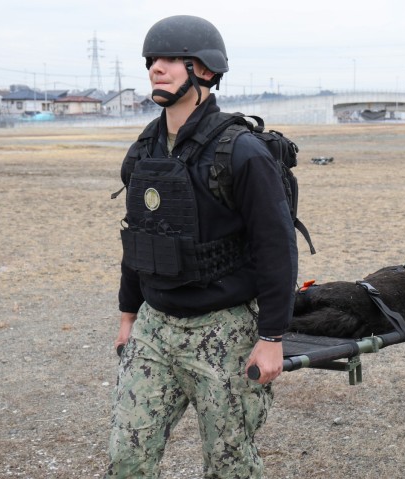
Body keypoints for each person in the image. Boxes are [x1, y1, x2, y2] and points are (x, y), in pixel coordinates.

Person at [106, 15, 298, 478]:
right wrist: (129, 315)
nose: (157, 67)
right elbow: (139, 238)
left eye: (173, 59)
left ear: (205, 72)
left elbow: (277, 250)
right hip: (155, 327)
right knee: (126, 460)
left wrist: (271, 338)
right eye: (153, 59)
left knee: (229, 465)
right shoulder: (143, 150)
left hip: (223, 330)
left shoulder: (243, 152)